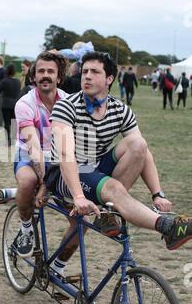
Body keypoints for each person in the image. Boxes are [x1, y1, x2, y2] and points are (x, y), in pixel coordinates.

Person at [46, 51, 192, 275]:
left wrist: (157, 194)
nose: (87, 77)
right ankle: (167, 227)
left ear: (109, 79)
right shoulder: (66, 106)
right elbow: (66, 155)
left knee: (138, 143)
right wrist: (78, 197)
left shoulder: (120, 110)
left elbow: (143, 151)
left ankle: (110, 212)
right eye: (85, 71)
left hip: (96, 168)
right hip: (66, 173)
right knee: (112, 189)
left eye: (95, 72)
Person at [13, 51, 68, 258]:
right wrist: (44, 183)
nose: (45, 75)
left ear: (59, 77)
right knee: (27, 181)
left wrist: (46, 186)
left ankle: (57, 266)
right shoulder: (25, 104)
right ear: (34, 76)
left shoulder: (69, 102)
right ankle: (26, 228)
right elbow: (34, 147)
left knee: (82, 221)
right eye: (41, 71)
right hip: (28, 154)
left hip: (57, 156)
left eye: (50, 71)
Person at [0, 63, 21, 146]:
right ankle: (14, 140)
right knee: (14, 122)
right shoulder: (18, 81)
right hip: (15, 104)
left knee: (7, 123)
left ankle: (8, 140)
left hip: (6, 104)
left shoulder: (5, 81)